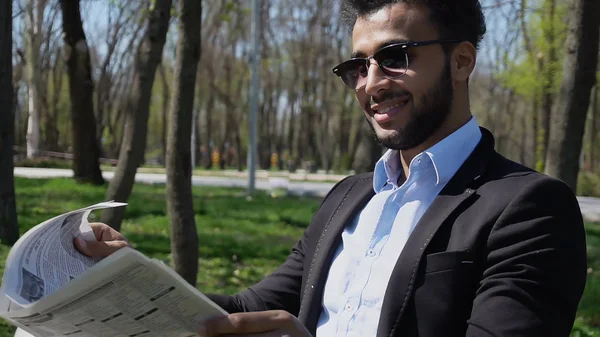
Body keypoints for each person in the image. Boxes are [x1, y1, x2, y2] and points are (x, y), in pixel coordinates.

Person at [74, 0, 588, 336]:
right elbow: (248, 306)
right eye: (357, 67)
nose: (370, 83)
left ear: (461, 61)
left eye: (396, 57)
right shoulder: (349, 196)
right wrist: (133, 276)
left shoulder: (527, 206)